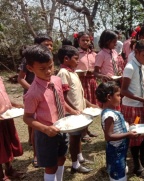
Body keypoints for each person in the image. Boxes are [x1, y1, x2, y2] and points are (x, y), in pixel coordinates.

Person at [23, 44, 79, 181]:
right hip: (46, 133)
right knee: (50, 165)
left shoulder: (57, 80)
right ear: (30, 68)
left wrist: (73, 111)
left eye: (50, 66)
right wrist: (46, 128)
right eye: (42, 69)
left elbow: (61, 101)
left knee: (62, 157)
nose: (48, 71)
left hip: (62, 127)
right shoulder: (33, 93)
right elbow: (27, 118)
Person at [56, 45, 98, 174]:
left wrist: (90, 104)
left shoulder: (72, 72)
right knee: (74, 139)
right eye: (76, 58)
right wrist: (73, 110)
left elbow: (78, 94)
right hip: (71, 114)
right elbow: (62, 97)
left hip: (77, 112)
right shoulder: (63, 73)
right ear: (66, 58)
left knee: (78, 137)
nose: (78, 61)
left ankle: (79, 158)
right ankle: (75, 165)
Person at [17, 33, 53, 168]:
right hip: (33, 94)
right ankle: (36, 155)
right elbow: (20, 78)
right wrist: (33, 89)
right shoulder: (28, 61)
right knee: (34, 127)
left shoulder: (49, 60)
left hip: (45, 92)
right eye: (46, 45)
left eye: (51, 45)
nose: (49, 47)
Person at [120, 39, 144, 178]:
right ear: (136, 52)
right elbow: (123, 91)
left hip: (140, 105)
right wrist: (142, 99)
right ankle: (137, 166)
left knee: (142, 135)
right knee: (135, 136)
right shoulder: (130, 67)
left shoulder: (140, 65)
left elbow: (138, 85)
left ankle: (143, 160)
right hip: (132, 107)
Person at [96, 81, 137, 181]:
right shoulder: (109, 115)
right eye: (118, 95)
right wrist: (128, 134)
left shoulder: (113, 111)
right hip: (116, 150)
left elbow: (116, 128)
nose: (120, 97)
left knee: (120, 169)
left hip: (120, 150)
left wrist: (128, 126)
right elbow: (109, 136)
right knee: (118, 174)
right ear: (109, 97)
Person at [73, 31, 98, 142]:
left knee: (91, 106)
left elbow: (98, 68)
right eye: (83, 40)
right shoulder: (75, 53)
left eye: (87, 40)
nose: (85, 42)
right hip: (80, 81)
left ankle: (87, 129)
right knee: (82, 105)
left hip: (92, 81)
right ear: (78, 41)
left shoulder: (94, 54)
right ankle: (82, 132)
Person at [0, 77, 25, 181]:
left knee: (8, 144)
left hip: (5, 117)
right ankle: (1, 176)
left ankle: (9, 169)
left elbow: (3, 96)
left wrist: (15, 104)